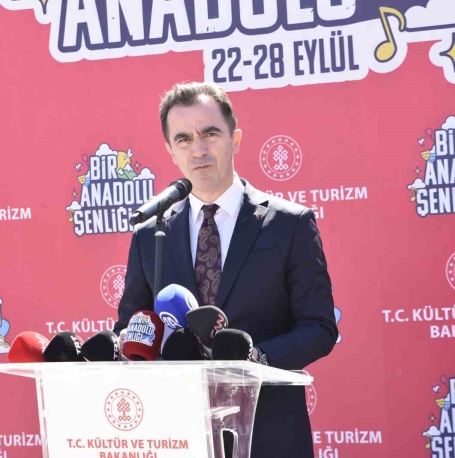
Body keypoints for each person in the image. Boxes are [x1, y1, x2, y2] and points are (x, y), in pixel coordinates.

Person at [113, 81, 338, 458]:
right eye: (184, 139)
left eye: (210, 133)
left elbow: (319, 328)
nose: (198, 149)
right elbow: (130, 326)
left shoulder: (289, 224)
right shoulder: (151, 235)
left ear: (235, 139)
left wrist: (254, 360)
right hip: (177, 436)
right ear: (170, 150)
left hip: (268, 434)